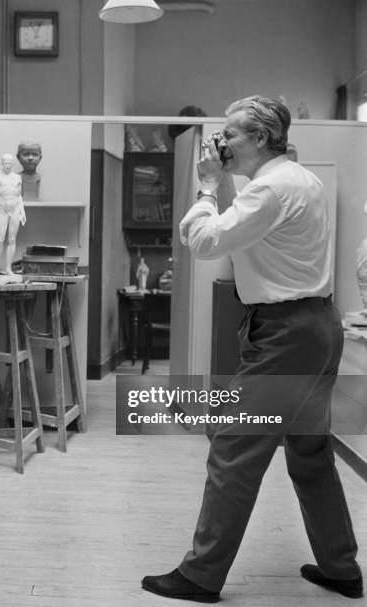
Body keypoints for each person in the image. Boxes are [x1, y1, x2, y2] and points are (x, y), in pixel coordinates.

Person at [142, 96, 363, 602]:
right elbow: (241, 217)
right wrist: (222, 181)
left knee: (233, 447)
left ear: (260, 138)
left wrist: (204, 186)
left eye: (230, 134)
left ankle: (200, 575)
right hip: (316, 328)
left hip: (287, 337)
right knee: (309, 452)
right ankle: (340, 566)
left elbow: (203, 241)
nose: (222, 143)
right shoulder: (296, 179)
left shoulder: (269, 189)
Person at [0, 153, 26, 275]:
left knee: (12, 239)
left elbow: (18, 195)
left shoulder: (17, 177)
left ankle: (8, 267)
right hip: (3, 209)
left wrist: (22, 211)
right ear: (2, 163)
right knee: (0, 239)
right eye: (5, 163)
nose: (7, 165)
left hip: (15, 209)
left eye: (9, 163)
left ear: (12, 163)